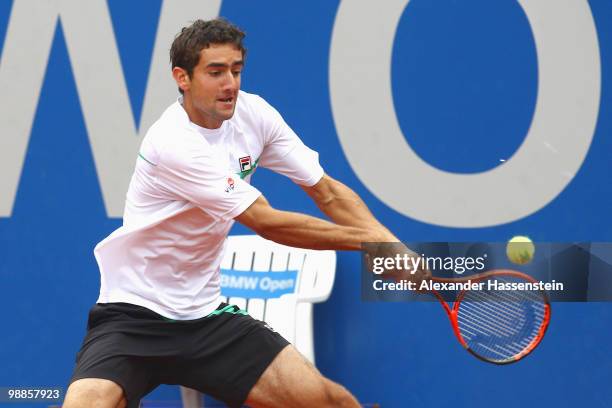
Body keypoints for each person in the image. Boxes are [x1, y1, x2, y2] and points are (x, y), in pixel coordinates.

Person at [63, 18, 423, 408]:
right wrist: (372, 242)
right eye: (215, 72)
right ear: (182, 78)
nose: (230, 83)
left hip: (206, 318)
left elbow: (327, 191)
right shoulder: (173, 142)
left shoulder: (256, 116)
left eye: (236, 70)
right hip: (133, 315)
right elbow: (266, 222)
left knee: (331, 402)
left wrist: (391, 244)